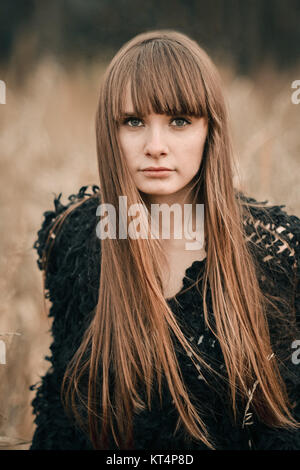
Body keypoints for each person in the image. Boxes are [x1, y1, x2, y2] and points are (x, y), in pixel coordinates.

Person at [30, 30, 300, 450]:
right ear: (110, 131)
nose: (155, 147)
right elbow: (63, 417)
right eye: (134, 121)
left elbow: (284, 427)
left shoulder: (276, 250)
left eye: (179, 121)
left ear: (211, 129)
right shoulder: (75, 237)